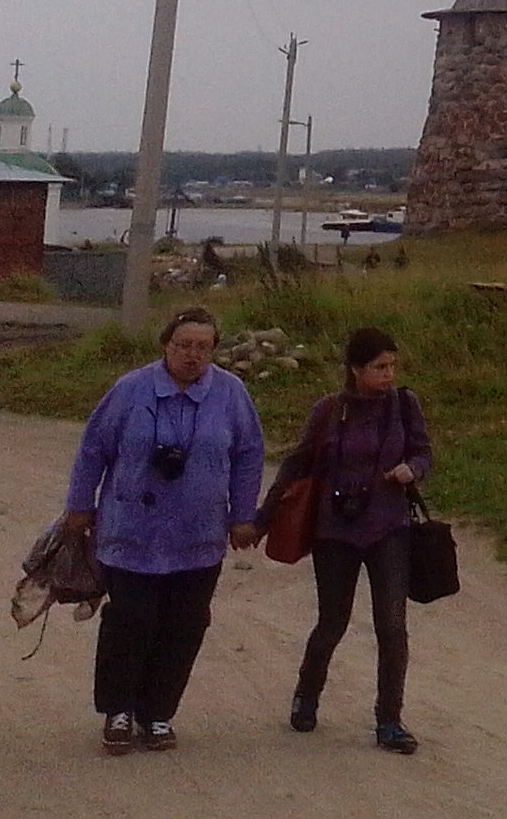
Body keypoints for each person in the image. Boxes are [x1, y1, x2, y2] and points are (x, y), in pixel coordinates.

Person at [63, 306, 264, 755]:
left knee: (184, 625)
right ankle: (118, 710)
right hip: (131, 530)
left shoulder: (231, 394)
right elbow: (94, 448)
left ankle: (157, 713)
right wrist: (80, 505)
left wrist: (242, 515)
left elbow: (249, 454)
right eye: (184, 345)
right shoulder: (130, 390)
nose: (193, 355)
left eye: (203, 347)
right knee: (130, 620)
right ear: (165, 346)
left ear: (214, 350)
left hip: (198, 537)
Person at [263, 326, 433, 755]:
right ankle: (306, 695)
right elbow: (297, 463)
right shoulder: (328, 410)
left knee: (392, 626)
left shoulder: (405, 406)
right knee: (332, 622)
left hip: (389, 529)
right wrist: (264, 518)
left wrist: (413, 469)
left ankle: (389, 719)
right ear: (355, 369)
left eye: (392, 366)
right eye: (379, 367)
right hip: (335, 532)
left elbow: (423, 451)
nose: (388, 375)